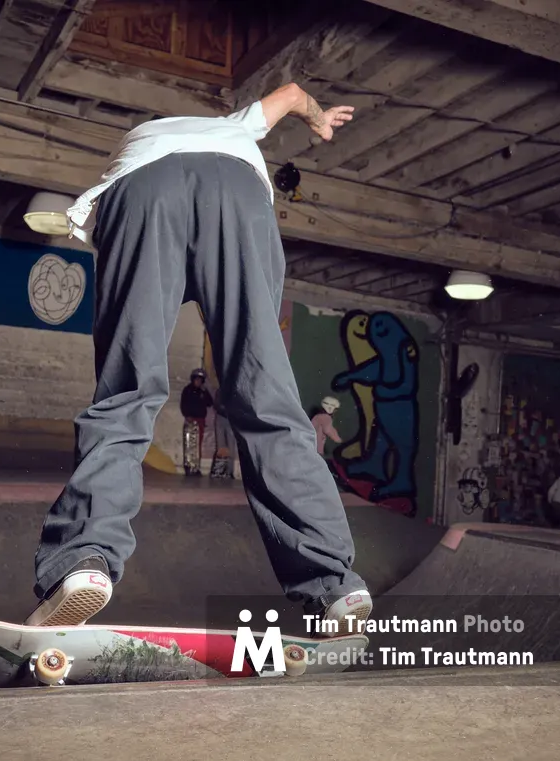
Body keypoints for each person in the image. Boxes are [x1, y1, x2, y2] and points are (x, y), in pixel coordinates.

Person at [26, 81, 373, 634]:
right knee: (267, 395)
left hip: (141, 187)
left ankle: (82, 562)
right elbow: (291, 92)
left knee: (126, 391)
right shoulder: (235, 126)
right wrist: (320, 119)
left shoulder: (137, 145)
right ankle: (332, 584)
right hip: (235, 187)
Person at [179, 368, 213, 475]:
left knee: (198, 445)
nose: (198, 382)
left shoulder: (203, 391)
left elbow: (210, 403)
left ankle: (196, 467)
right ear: (193, 379)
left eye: (200, 380)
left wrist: (205, 391)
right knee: (189, 444)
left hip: (200, 421)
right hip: (190, 420)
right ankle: (189, 467)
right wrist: (187, 415)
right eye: (196, 379)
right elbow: (183, 404)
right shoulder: (187, 390)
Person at [209, 399, 237, 479]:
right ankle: (219, 470)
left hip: (230, 419)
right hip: (221, 417)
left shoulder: (235, 391)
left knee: (231, 446)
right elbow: (216, 405)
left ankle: (229, 471)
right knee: (220, 446)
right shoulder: (220, 391)